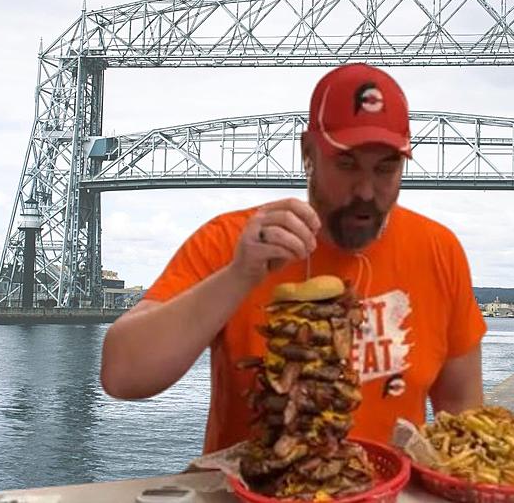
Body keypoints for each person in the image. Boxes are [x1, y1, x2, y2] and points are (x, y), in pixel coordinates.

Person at [99, 62, 487, 452]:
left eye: (386, 168)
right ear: (308, 153)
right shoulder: (233, 242)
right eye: (347, 164)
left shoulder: (440, 250)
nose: (366, 191)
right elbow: (123, 375)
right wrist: (239, 276)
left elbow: (462, 411)